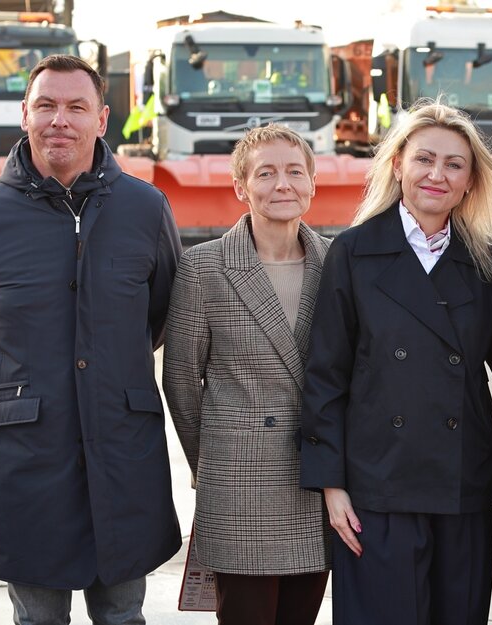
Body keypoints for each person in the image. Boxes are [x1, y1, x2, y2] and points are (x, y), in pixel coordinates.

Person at [0, 54, 182, 624]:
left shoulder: (147, 209)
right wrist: (21, 385)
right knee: (38, 617)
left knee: (122, 614)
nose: (59, 120)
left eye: (75, 107)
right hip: (26, 459)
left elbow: (161, 314)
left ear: (102, 118)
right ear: (25, 115)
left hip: (122, 447)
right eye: (45, 106)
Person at [299, 100, 492, 625]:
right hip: (378, 485)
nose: (437, 174)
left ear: (470, 181)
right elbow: (326, 373)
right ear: (398, 165)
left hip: (462, 482)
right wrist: (332, 484)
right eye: (424, 159)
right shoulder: (352, 252)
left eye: (454, 164)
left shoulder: (488, 259)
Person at [163, 124, 332, 625]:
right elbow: (180, 380)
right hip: (239, 487)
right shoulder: (203, 268)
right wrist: (215, 460)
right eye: (266, 173)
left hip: (316, 485)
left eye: (294, 171)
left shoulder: (337, 262)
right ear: (241, 187)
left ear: (312, 183)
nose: (283, 184)